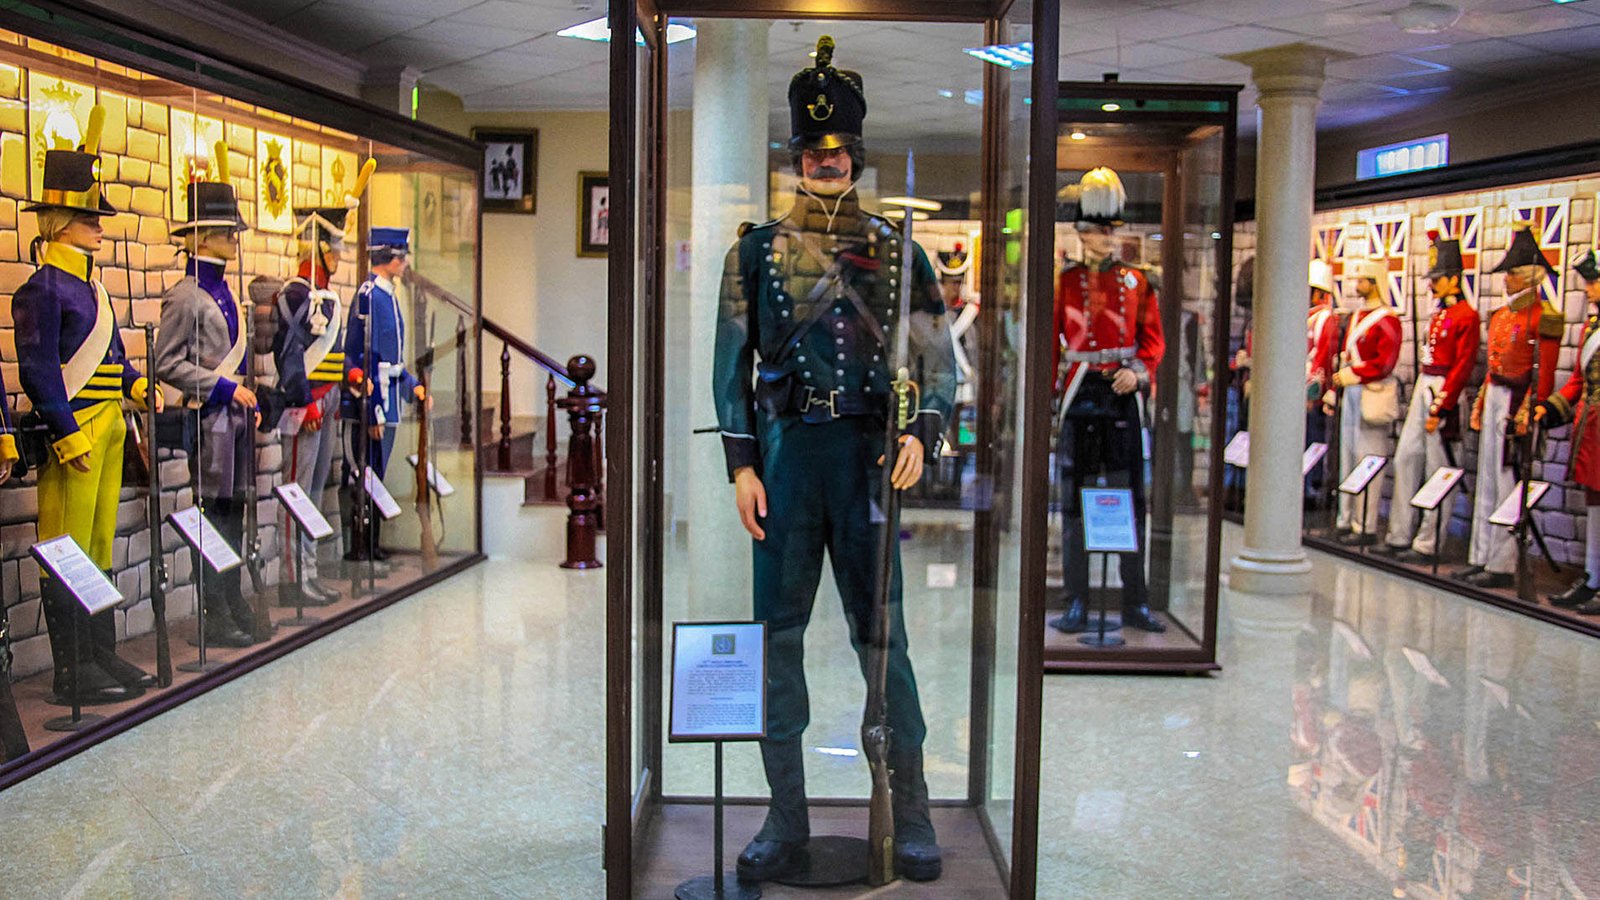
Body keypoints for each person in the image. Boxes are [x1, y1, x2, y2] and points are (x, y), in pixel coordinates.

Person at [712, 36, 955, 884]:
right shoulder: (753, 252)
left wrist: (922, 428)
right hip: (785, 463)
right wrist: (741, 465)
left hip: (865, 461)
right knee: (778, 646)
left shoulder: (899, 251)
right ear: (795, 158)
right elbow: (728, 364)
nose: (825, 161)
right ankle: (785, 822)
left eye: (838, 150)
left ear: (856, 156)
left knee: (883, 643)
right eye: (812, 152)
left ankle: (914, 815)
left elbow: (940, 359)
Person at [14, 111, 161, 704]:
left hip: (109, 429)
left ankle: (100, 653)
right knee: (66, 549)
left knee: (99, 543)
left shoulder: (96, 289)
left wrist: (136, 387)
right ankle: (71, 670)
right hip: (71, 436)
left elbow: (113, 361)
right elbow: (40, 371)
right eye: (91, 218)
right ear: (64, 222)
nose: (100, 228)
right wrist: (66, 431)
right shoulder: (42, 289)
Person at [1049, 166, 1166, 634]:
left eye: (1110, 230)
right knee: (1075, 501)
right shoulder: (1065, 281)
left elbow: (1152, 340)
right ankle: (1077, 599)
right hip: (1081, 391)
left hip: (1121, 397)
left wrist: (1137, 374)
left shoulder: (1138, 281)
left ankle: (1134, 601)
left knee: (1130, 499)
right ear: (1080, 233)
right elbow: (1048, 337)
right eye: (1097, 230)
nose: (1105, 238)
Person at [155, 162, 262, 648]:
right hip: (209, 418)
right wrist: (223, 389)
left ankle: (232, 598)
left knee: (233, 513)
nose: (234, 239)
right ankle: (213, 608)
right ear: (202, 238)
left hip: (234, 419)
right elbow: (167, 363)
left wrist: (243, 396)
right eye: (225, 232)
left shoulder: (224, 294)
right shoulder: (185, 296)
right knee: (212, 515)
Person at [1456, 219, 1561, 588]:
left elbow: (1543, 374)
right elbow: (1493, 365)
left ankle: (1501, 562)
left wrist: (1530, 411)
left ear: (1530, 276)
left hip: (1519, 401)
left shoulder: (1545, 316)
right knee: (1486, 477)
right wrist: (1483, 401)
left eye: (1513, 273)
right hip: (1498, 395)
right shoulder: (1501, 316)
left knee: (1506, 481)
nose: (1507, 279)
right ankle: (1481, 554)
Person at [1379, 230, 1478, 562]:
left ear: (1453, 280)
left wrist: (1443, 403)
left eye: (1438, 278)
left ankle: (1429, 542)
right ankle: (1399, 532)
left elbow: (1463, 365)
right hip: (1427, 381)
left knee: (1440, 468)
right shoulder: (1440, 314)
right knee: (1407, 457)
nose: (1432, 284)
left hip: (1444, 389)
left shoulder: (1467, 316)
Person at [273, 204, 351, 602]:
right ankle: (292, 579)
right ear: (316, 248)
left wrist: (347, 377)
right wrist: (307, 402)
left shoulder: (324, 295)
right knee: (296, 492)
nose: (339, 255)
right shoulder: (295, 293)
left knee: (315, 491)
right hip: (305, 407)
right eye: (333, 246)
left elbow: (331, 351)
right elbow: (288, 356)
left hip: (327, 401)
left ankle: (309, 571)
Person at [343, 226, 424, 561]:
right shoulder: (369, 295)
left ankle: (373, 540)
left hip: (389, 395)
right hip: (374, 397)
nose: (404, 263)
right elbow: (364, 355)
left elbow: (393, 355)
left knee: (378, 472)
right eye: (399, 256)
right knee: (365, 471)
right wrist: (372, 408)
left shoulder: (386, 294)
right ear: (387, 257)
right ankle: (361, 542)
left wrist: (411, 384)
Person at [1535, 249, 1600, 612]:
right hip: (1592, 426)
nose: (1588, 289)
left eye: (1593, 282)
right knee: (1594, 504)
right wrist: (1550, 406)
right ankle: (1592, 577)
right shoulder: (1591, 328)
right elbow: (1578, 380)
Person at [1327, 258, 1401, 545]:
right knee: (1348, 454)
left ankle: (1365, 524)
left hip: (1372, 390)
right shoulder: (1357, 317)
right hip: (1353, 389)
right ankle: (1346, 518)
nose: (1357, 285)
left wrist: (1355, 373)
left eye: (1362, 280)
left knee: (1368, 457)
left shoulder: (1387, 319)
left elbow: (1384, 362)